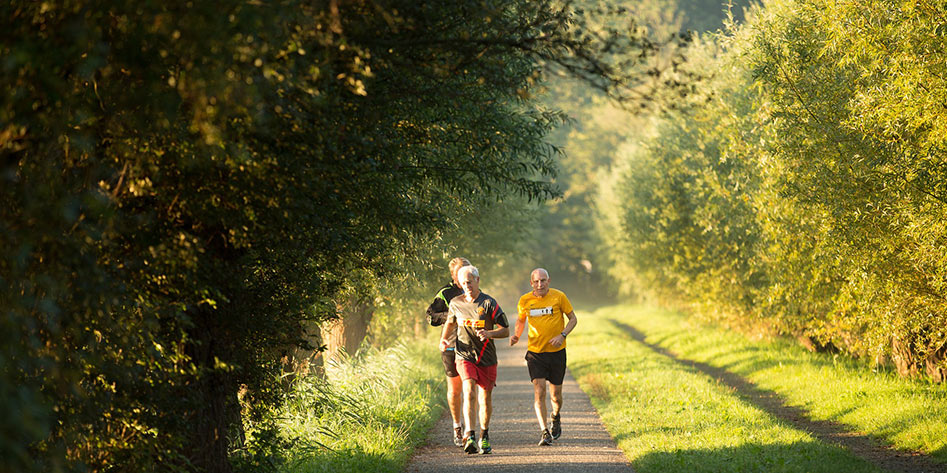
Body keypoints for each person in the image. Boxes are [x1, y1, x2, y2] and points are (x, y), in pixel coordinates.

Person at [439, 265, 509, 454]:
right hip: (464, 355)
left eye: (470, 282)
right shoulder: (455, 303)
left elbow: (505, 330)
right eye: (463, 283)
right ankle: (469, 435)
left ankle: (484, 435)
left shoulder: (489, 303)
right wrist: (444, 339)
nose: (467, 286)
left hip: (486, 357)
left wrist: (489, 333)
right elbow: (450, 322)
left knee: (485, 398)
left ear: (478, 280)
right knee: (468, 389)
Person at [510, 268, 577, 446]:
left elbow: (573, 319)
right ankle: (544, 431)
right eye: (537, 281)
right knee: (539, 392)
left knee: (556, 396)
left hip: (557, 353)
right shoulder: (525, 300)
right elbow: (521, 320)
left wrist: (562, 335)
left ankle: (555, 416)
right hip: (535, 353)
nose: (540, 284)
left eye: (543, 280)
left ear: (549, 281)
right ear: (532, 283)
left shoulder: (559, 297)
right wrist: (516, 335)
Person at [425, 257, 471, 447]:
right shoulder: (445, 293)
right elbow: (431, 317)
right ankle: (457, 426)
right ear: (453, 275)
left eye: (467, 271)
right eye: (460, 272)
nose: (464, 276)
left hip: (470, 346)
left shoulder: (474, 290)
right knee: (455, 390)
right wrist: (451, 316)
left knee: (470, 389)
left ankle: (471, 430)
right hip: (451, 346)